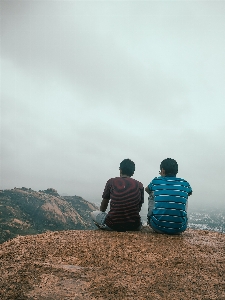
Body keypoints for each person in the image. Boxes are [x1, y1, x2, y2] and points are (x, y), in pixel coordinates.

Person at [91, 159, 144, 232]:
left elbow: (103, 206)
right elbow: (138, 208)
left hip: (113, 225)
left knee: (93, 213)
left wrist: (102, 213)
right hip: (135, 226)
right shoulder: (139, 185)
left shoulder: (111, 182)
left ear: (120, 170)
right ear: (133, 172)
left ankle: (103, 228)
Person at [145, 158, 192, 235]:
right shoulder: (185, 183)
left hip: (157, 226)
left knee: (152, 194)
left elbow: (147, 189)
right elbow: (189, 193)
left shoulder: (156, 181)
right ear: (176, 171)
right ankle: (178, 219)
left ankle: (151, 218)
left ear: (163, 170)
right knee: (184, 195)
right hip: (180, 228)